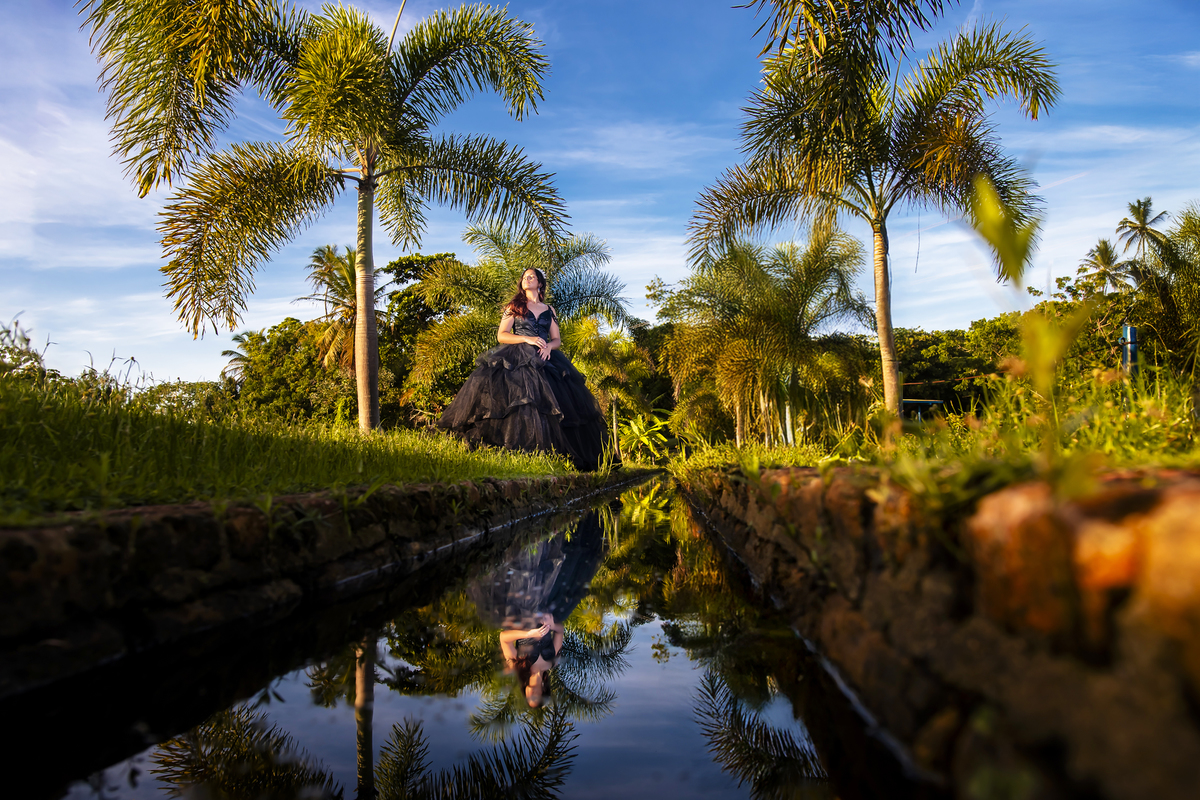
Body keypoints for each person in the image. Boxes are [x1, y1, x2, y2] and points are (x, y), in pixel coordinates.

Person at [437, 267, 606, 471]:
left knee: (554, 405)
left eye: (531, 276)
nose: (527, 279)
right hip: (518, 357)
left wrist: (549, 348)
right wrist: (526, 338)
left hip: (546, 359)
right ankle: (516, 452)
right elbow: (502, 335)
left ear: (540, 283)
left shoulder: (549, 309)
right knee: (523, 404)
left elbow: (557, 339)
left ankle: (556, 456)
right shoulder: (514, 306)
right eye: (525, 277)